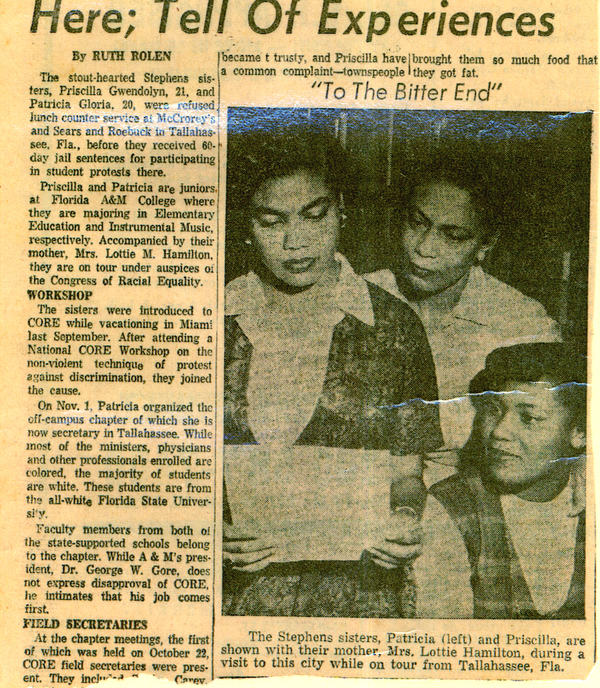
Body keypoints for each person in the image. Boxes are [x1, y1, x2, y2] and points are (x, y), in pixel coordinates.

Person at [222, 126, 442, 617]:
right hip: (236, 603)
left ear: (342, 208)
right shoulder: (215, 320)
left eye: (314, 215)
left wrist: (405, 518)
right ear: (245, 224)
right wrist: (208, 535)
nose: (294, 242)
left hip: (360, 599)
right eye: (270, 221)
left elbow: (406, 470)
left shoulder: (392, 325)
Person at [366, 154, 560, 464]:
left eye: (453, 236)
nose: (424, 248)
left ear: (485, 245)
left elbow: (552, 432)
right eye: (417, 223)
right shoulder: (355, 297)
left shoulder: (522, 324)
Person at [415, 343, 587, 619]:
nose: (500, 432)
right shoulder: (451, 506)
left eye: (529, 418)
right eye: (494, 410)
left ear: (579, 432)